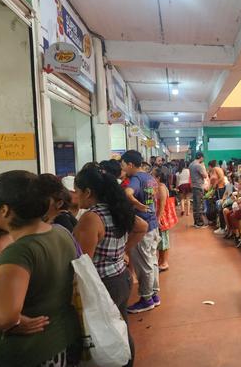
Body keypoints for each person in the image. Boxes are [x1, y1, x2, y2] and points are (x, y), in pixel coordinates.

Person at [0, 171, 81, 366]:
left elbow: (3, 318)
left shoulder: (19, 252)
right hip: (59, 339)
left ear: (5, 210)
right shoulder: (61, 233)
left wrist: (14, 321)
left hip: (27, 351)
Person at [73, 165, 148, 366]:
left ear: (88, 192)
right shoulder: (115, 209)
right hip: (120, 277)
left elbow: (84, 265)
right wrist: (122, 250)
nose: (75, 196)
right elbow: (142, 226)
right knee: (121, 326)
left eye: (77, 191)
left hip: (104, 283)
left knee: (103, 331)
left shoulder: (91, 218)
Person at [121, 150, 161, 313]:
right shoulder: (150, 177)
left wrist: (137, 205)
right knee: (151, 261)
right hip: (152, 224)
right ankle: (154, 294)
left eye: (123, 165)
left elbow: (128, 193)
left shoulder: (136, 178)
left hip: (142, 227)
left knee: (143, 264)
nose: (123, 168)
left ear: (130, 164)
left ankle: (146, 298)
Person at [152, 168, 173, 271]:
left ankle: (164, 262)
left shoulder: (161, 187)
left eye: (153, 176)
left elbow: (162, 204)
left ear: (158, 177)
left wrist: (159, 218)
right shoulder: (159, 187)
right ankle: (161, 260)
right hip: (160, 216)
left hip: (162, 217)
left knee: (164, 240)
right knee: (161, 240)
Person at [189, 152, 208, 228]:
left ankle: (196, 222)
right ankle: (199, 223)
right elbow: (205, 175)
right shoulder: (199, 166)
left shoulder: (191, 165)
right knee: (199, 205)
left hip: (194, 186)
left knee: (195, 205)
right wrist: (203, 167)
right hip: (199, 186)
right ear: (201, 157)